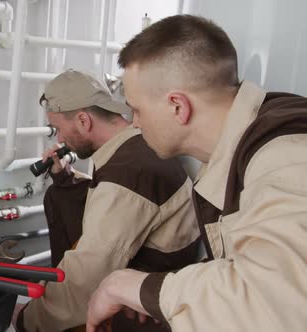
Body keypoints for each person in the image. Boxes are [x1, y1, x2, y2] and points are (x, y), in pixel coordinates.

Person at [86, 14, 307, 332]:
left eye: (136, 109)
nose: (134, 122)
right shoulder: (241, 148)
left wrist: (131, 286)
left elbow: (275, 306)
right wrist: (161, 290)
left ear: (177, 106)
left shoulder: (285, 155)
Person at [14, 69, 200, 331]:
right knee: (58, 196)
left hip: (143, 313)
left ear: (83, 120)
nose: (59, 139)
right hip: (146, 281)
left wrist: (27, 321)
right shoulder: (134, 147)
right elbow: (106, 198)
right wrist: (65, 178)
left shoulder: (129, 172)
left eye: (58, 128)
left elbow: (85, 277)